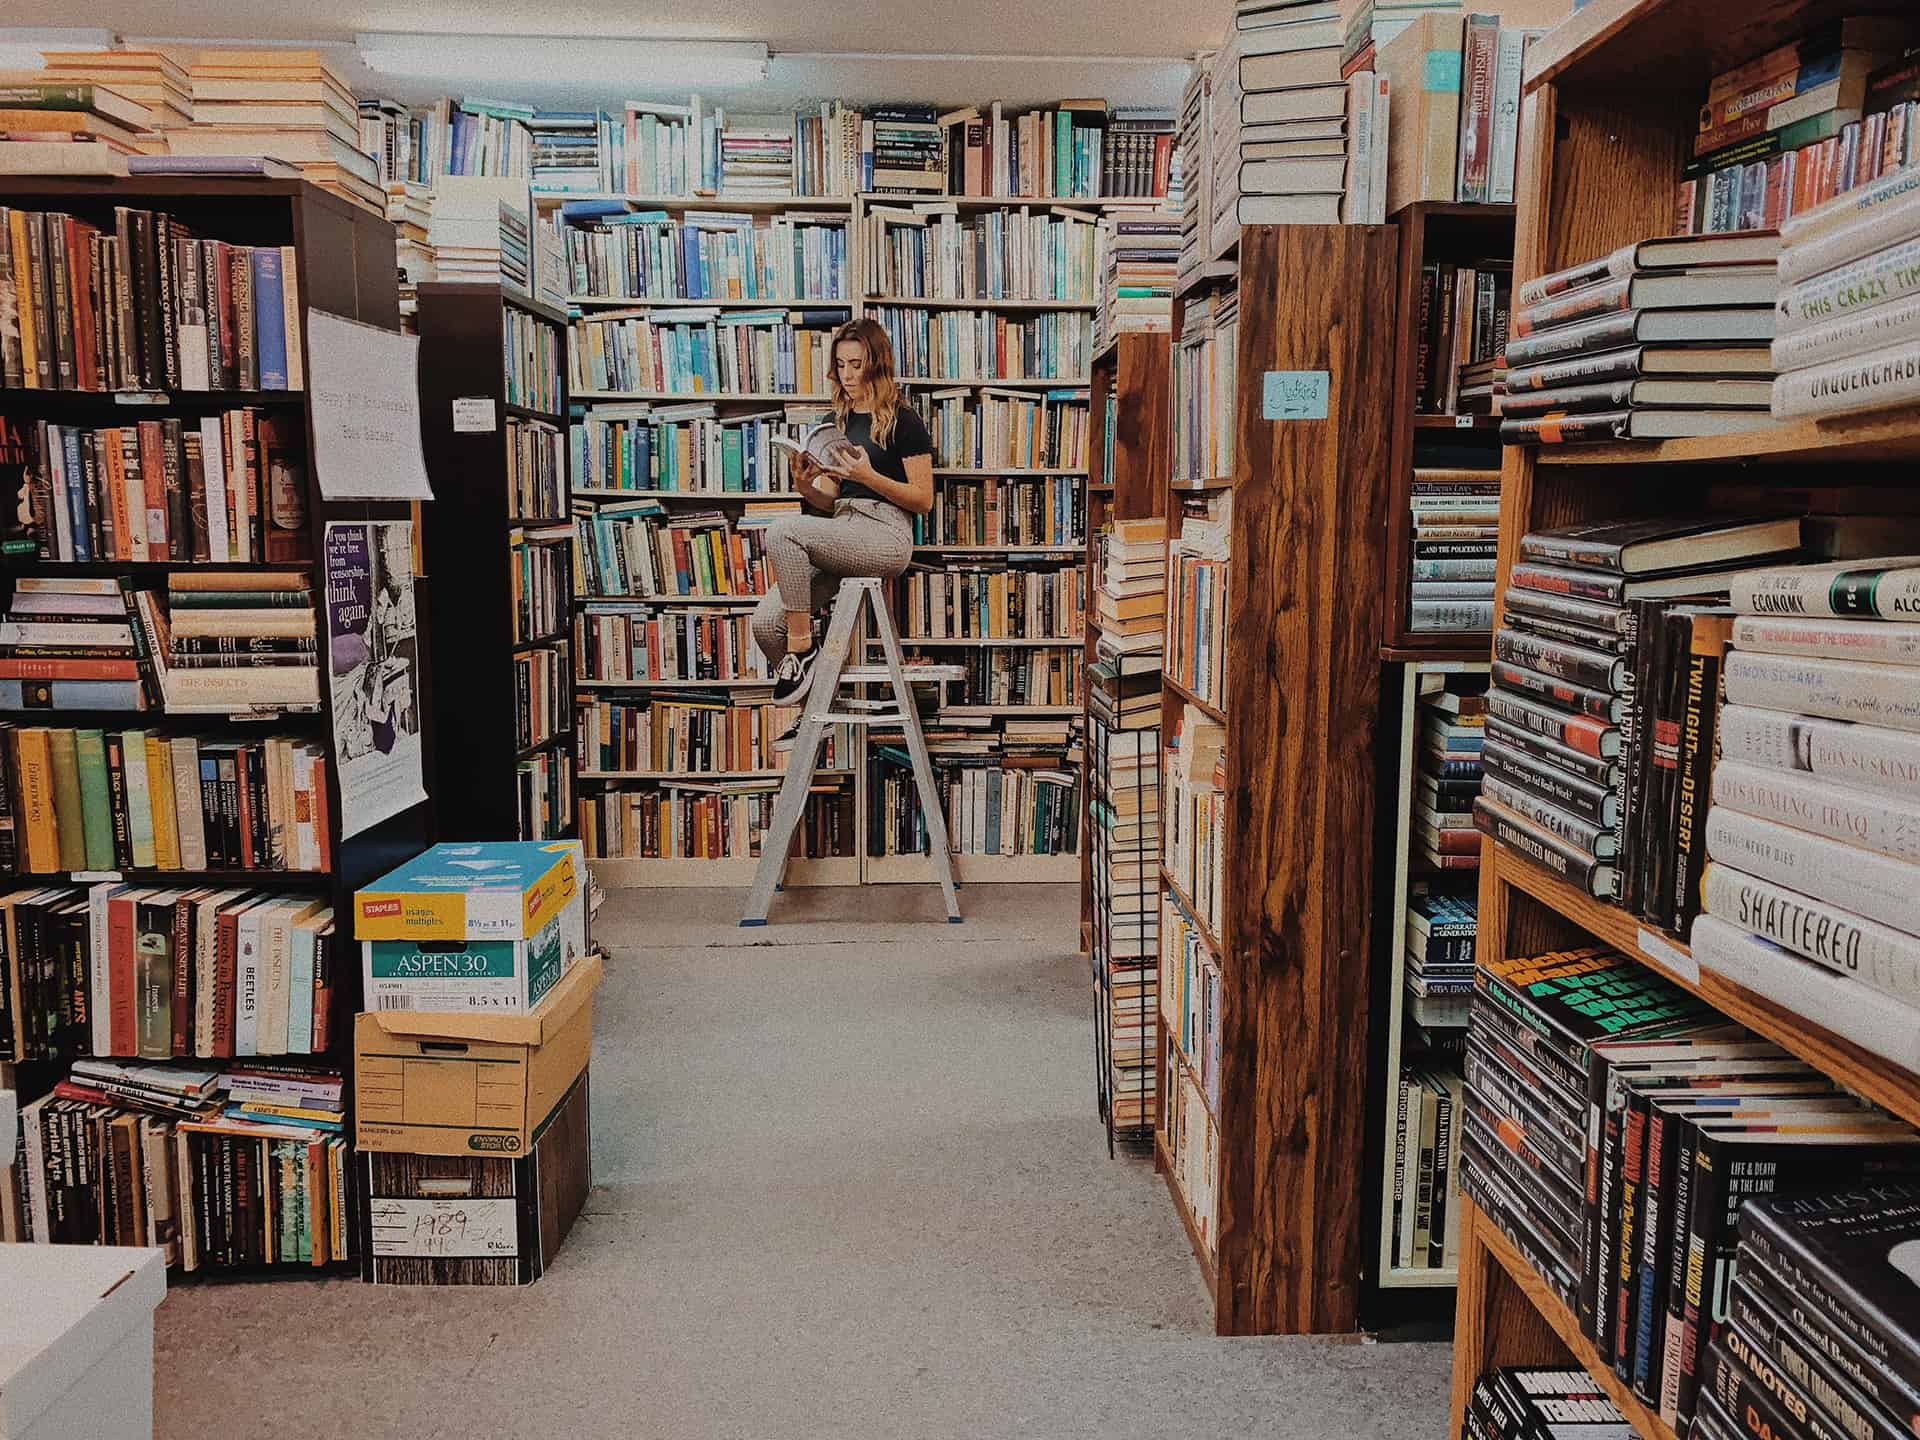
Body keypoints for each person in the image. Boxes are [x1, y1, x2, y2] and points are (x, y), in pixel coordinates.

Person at [753, 317, 933, 740]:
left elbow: (923, 499)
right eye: (841, 366)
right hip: (843, 528)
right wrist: (803, 483)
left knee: (782, 532)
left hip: (886, 535)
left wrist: (869, 476)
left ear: (876, 364)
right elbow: (829, 500)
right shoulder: (841, 420)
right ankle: (818, 707)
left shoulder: (903, 421)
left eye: (857, 364)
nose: (848, 375)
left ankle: (804, 648)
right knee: (764, 625)